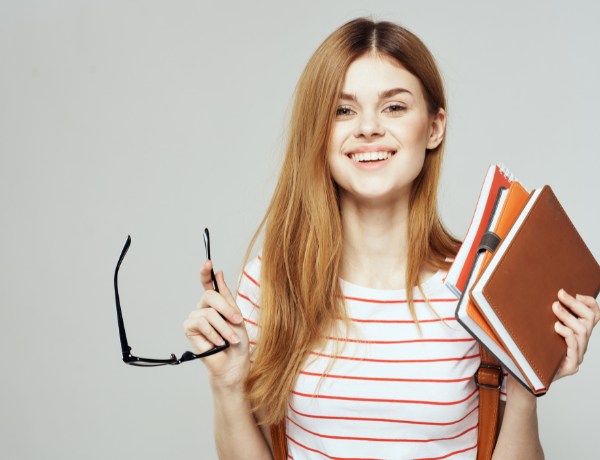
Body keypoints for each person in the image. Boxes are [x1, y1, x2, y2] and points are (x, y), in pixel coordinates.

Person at [183, 17, 600, 460]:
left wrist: (525, 383)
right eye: (343, 110)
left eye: (394, 107)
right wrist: (226, 386)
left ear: (435, 127)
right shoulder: (270, 285)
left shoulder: (484, 286)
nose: (368, 128)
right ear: (318, 133)